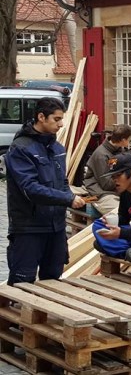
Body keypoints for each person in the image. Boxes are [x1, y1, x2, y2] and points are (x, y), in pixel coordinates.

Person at [4, 97, 86, 285]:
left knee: (52, 281)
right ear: (41, 117)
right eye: (56, 119)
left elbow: (63, 181)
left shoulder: (57, 148)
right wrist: (67, 199)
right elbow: (30, 189)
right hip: (28, 227)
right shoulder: (21, 149)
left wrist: (70, 195)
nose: (61, 124)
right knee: (21, 283)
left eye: (61, 119)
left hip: (56, 227)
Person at [83, 124, 131, 215]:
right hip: (102, 193)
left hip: (119, 190)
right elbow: (106, 184)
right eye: (129, 139)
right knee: (120, 213)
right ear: (123, 140)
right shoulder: (101, 155)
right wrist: (126, 174)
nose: (130, 141)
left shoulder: (119, 150)